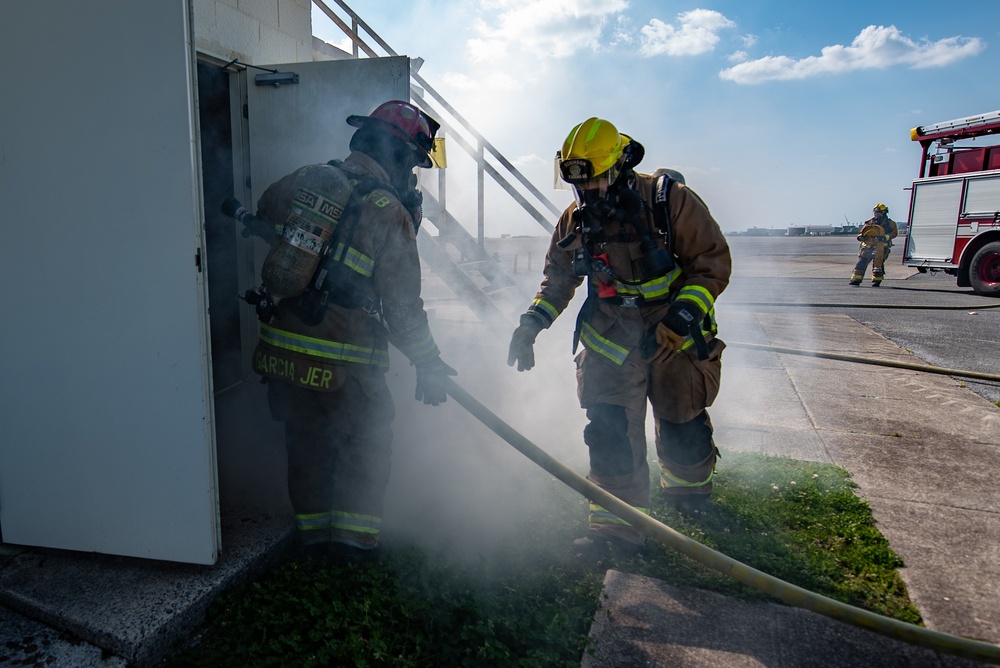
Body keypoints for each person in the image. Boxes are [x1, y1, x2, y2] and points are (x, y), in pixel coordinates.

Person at [507, 117, 731, 559]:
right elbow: (557, 279)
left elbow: (711, 263)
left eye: (596, 181)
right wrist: (532, 323)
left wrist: (682, 317)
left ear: (619, 168)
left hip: (676, 340)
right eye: (579, 184)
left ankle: (690, 496)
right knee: (608, 433)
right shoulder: (576, 218)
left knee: (682, 423)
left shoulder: (670, 201)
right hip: (611, 340)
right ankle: (615, 530)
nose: (587, 193)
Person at [248, 100, 456, 559]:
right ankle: (353, 548)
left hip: (282, 355)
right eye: (414, 165)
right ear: (399, 157)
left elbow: (265, 212)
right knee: (365, 448)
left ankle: (313, 538)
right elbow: (402, 311)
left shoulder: (303, 179)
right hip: (345, 366)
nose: (413, 177)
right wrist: (429, 363)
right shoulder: (388, 211)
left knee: (305, 446)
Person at [849, 203, 899, 286]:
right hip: (868, 248)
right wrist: (861, 237)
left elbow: (894, 233)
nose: (876, 214)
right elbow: (862, 233)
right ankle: (856, 279)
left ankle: (876, 281)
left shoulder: (891, 224)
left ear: (884, 213)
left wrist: (885, 237)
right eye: (875, 212)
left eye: (878, 212)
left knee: (878, 265)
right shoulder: (869, 222)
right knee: (861, 263)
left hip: (882, 248)